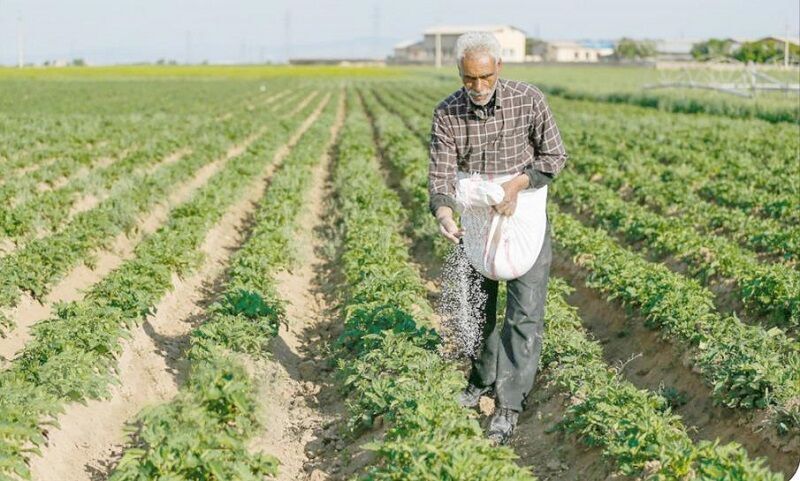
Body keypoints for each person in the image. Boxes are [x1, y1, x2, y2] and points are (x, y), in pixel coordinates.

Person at [428, 31, 567, 445]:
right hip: (475, 218)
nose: (478, 88)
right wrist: (444, 212)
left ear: (499, 69)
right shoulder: (448, 112)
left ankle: (509, 405)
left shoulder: (529, 99)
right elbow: (440, 174)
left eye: (485, 77)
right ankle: (480, 379)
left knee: (524, 313)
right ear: (459, 73)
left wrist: (518, 184)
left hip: (522, 213)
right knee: (477, 309)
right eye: (469, 79)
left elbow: (555, 157)